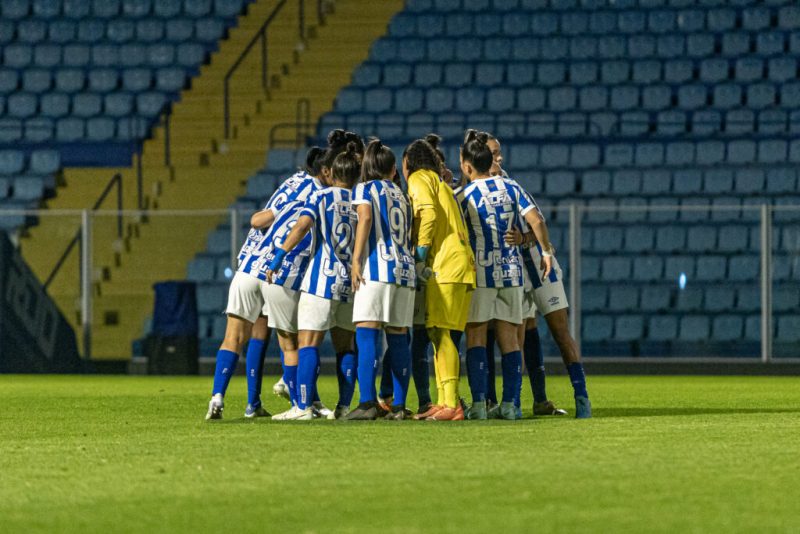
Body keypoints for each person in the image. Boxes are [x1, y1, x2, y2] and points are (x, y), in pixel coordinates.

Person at [206, 147, 327, 420]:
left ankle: (223, 397)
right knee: (290, 343)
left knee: (235, 337)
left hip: (249, 263)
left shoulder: (292, 182)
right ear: (326, 170)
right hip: (276, 268)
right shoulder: (316, 193)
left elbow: (258, 219)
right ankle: (299, 402)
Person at [488, 134, 591, 419]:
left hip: (540, 267)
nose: (499, 158)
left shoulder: (511, 185)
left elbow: (537, 223)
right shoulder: (476, 189)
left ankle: (582, 397)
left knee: (561, 333)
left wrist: (529, 241)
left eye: (499, 153)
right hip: (513, 275)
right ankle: (525, 402)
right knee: (520, 338)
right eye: (493, 153)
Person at [457, 130, 554, 420]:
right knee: (511, 340)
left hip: (482, 275)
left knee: (476, 337)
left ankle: (479, 405)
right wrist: (546, 253)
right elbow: (537, 219)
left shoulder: (463, 195)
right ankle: (511, 405)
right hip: (511, 273)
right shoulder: (512, 187)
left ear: (467, 166)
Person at [265, 141, 362, 420]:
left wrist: (279, 256)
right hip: (350, 283)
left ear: (331, 173)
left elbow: (301, 226)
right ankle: (344, 407)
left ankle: (303, 407)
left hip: (321, 280)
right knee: (346, 347)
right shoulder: (361, 199)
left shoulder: (321, 197)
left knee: (308, 343)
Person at [405, 136, 476, 421]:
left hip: (445, 264)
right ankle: (444, 400)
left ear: (410, 162)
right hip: (459, 263)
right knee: (438, 333)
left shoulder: (420, 178)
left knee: (442, 334)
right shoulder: (440, 182)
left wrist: (420, 252)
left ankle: (451, 404)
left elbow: (428, 214)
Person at [347, 139, 416, 420]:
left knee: (366, 334)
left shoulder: (365, 188)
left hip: (377, 269)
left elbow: (364, 218)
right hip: (404, 270)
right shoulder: (402, 195)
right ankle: (398, 406)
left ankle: (367, 403)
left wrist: (356, 259)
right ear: (392, 170)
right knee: (399, 338)